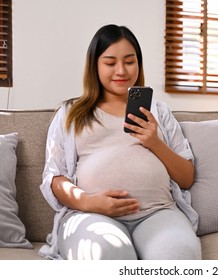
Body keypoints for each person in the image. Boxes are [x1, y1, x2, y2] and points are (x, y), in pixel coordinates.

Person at [38, 24, 201, 260]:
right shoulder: (71, 113)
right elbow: (54, 178)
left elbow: (186, 178)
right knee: (107, 253)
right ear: (95, 65)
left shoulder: (158, 112)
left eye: (129, 61)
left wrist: (154, 142)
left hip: (158, 213)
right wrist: (89, 202)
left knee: (178, 255)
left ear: (139, 63)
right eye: (110, 62)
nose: (121, 70)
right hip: (92, 216)